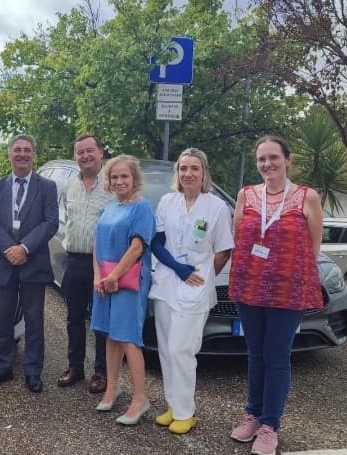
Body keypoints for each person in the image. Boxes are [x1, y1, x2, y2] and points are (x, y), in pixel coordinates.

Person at [228, 136, 323, 455]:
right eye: (261, 159)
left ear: (287, 160)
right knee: (255, 354)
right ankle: (253, 415)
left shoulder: (307, 197)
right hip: (250, 287)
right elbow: (238, 236)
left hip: (287, 291)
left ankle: (270, 425)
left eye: (273, 158)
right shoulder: (246, 194)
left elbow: (313, 247)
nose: (267, 164)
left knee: (277, 357)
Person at [149, 148, 233, 434]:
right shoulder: (168, 201)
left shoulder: (216, 207)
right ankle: (173, 406)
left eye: (194, 168)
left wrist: (205, 276)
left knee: (181, 350)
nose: (188, 173)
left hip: (194, 288)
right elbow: (157, 242)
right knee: (165, 349)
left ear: (204, 172)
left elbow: (224, 250)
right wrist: (178, 268)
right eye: (183, 168)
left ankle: (186, 412)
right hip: (166, 283)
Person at [0, 134, 58, 393]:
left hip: (33, 262)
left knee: (34, 321)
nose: (22, 154)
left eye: (27, 150)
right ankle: (2, 367)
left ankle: (33, 372)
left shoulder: (47, 187)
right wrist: (9, 249)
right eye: (17, 150)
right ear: (9, 154)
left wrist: (24, 248)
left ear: (34, 155)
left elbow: (50, 222)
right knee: (3, 319)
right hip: (3, 262)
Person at [91, 154, 154, 425]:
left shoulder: (142, 208)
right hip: (106, 279)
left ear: (134, 178)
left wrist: (114, 276)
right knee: (110, 334)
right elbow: (97, 245)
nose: (119, 181)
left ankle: (140, 399)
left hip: (128, 280)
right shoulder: (109, 207)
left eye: (124, 176)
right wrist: (98, 276)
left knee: (128, 337)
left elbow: (137, 247)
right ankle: (112, 388)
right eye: (114, 176)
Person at [56, 134, 114, 392]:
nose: (85, 156)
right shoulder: (69, 185)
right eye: (80, 152)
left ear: (101, 152)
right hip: (74, 261)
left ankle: (101, 372)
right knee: (74, 317)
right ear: (75, 156)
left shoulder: (112, 184)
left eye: (90, 150)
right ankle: (75, 367)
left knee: (100, 321)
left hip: (102, 263)